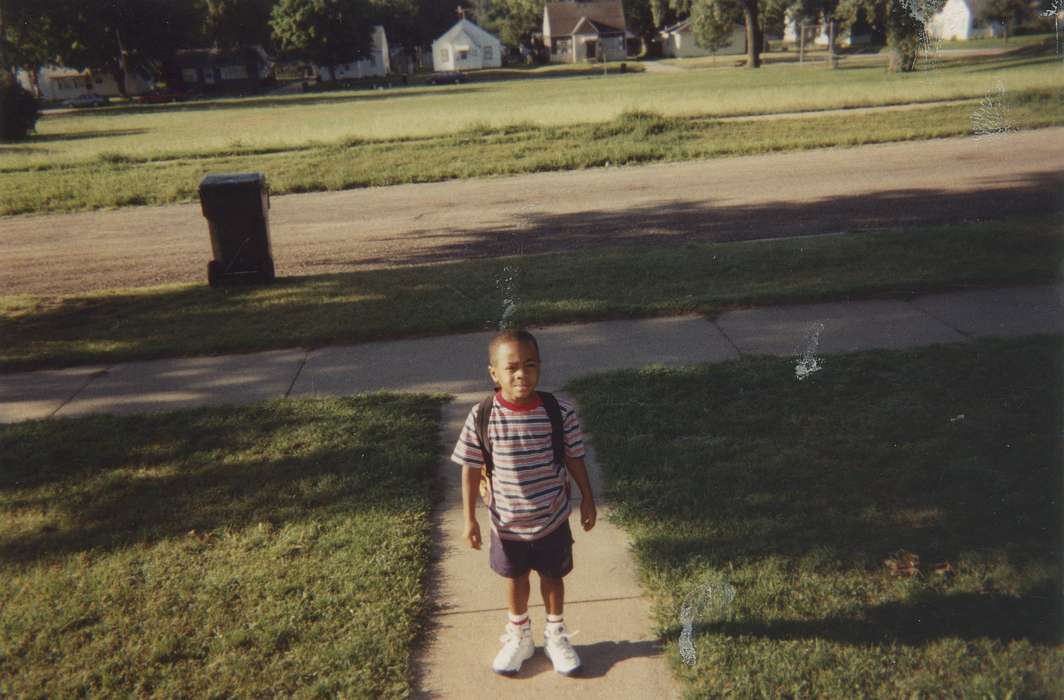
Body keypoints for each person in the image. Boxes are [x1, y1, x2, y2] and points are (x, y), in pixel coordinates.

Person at [451, 329, 597, 676]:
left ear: (540, 367)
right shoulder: (483, 415)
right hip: (507, 522)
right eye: (512, 367)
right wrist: (469, 518)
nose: (521, 374)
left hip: (552, 517)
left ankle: (556, 634)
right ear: (494, 374)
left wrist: (588, 499)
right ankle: (519, 635)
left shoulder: (557, 412)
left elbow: (575, 458)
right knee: (515, 579)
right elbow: (471, 469)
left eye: (530, 365)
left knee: (553, 577)